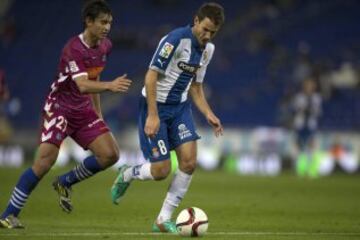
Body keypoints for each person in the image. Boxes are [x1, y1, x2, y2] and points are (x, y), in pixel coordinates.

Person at [0, 0, 132, 229]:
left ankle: (65, 181)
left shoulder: (105, 46)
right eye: (102, 22)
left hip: (83, 109)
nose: (107, 27)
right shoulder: (73, 48)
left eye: (110, 22)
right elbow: (82, 84)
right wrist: (111, 86)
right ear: (88, 21)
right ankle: (8, 214)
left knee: (110, 154)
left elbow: (95, 77)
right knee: (44, 162)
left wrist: (98, 113)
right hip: (60, 107)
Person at [111, 2, 224, 233]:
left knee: (190, 162)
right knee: (161, 170)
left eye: (212, 32)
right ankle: (128, 173)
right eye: (205, 29)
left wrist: (209, 113)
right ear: (196, 20)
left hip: (180, 108)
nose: (207, 35)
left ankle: (163, 219)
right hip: (156, 106)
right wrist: (153, 116)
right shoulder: (174, 40)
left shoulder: (208, 50)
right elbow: (150, 77)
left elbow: (196, 86)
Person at [292, 78, 322, 177]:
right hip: (300, 124)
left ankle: (312, 170)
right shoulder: (299, 97)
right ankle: (301, 169)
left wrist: (307, 109)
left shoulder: (316, 98)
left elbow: (318, 112)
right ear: (304, 86)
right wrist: (306, 109)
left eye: (311, 85)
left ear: (313, 87)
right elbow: (296, 109)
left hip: (310, 125)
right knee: (299, 147)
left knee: (312, 146)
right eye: (307, 85)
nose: (309, 87)